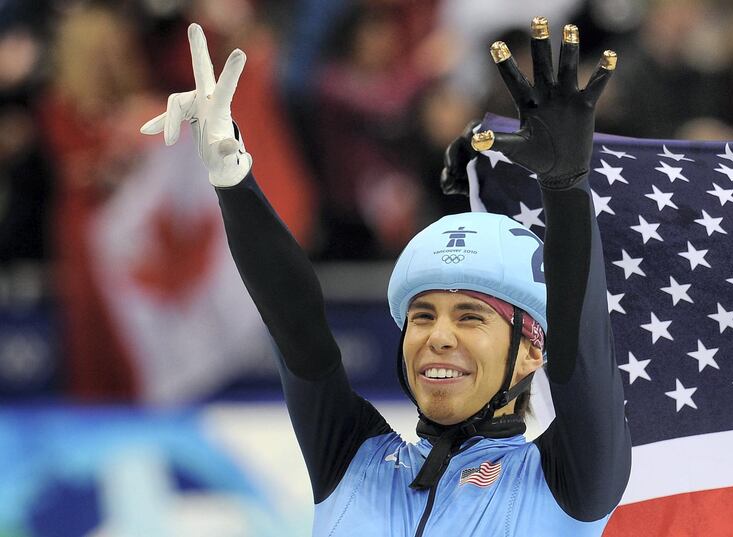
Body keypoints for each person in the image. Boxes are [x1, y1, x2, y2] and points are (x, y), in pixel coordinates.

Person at [141, 18, 631, 536]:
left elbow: (584, 355)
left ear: (533, 351)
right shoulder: (352, 458)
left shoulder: (573, 479)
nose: (438, 337)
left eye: (470, 317)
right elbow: (297, 327)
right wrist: (234, 180)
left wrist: (566, 188)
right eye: (422, 316)